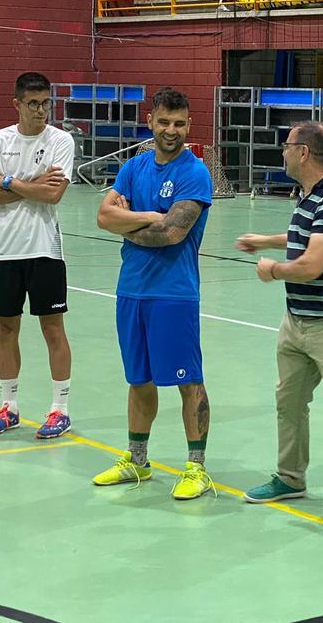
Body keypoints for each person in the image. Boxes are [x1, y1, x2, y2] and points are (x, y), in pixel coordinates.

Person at [234, 121, 323, 521]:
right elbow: (308, 236)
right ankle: (290, 478)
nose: (282, 152)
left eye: (286, 146)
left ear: (303, 153)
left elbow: (313, 264)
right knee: (289, 402)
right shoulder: (311, 196)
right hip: (298, 321)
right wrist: (266, 240)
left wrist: (273, 269)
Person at [91, 87, 215, 501]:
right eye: (164, 122)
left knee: (188, 382)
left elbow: (172, 233)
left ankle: (196, 468)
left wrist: (127, 223)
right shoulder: (133, 168)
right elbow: (102, 216)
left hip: (174, 294)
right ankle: (138, 460)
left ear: (189, 125)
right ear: (151, 121)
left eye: (179, 124)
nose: (171, 130)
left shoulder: (194, 172)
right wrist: (146, 216)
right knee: (138, 379)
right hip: (131, 290)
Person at [0, 71, 76, 440]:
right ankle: (9, 407)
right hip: (4, 250)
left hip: (44, 250)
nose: (41, 110)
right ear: (17, 103)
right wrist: (32, 185)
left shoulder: (61, 141)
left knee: (53, 329)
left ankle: (59, 410)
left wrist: (8, 181)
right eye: (33, 103)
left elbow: (53, 195)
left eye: (46, 102)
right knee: (6, 328)